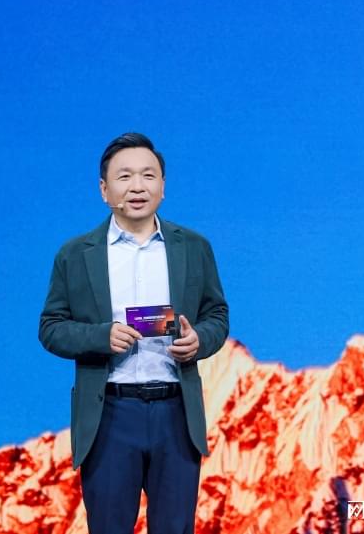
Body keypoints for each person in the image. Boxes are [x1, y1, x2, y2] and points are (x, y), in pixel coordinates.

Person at [39, 133, 229, 534]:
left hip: (176, 413)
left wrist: (199, 341)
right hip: (109, 413)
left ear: (163, 186)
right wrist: (100, 337)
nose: (138, 186)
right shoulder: (76, 255)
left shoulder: (194, 247)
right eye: (124, 176)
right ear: (104, 189)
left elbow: (216, 315)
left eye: (148, 175)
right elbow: (51, 328)